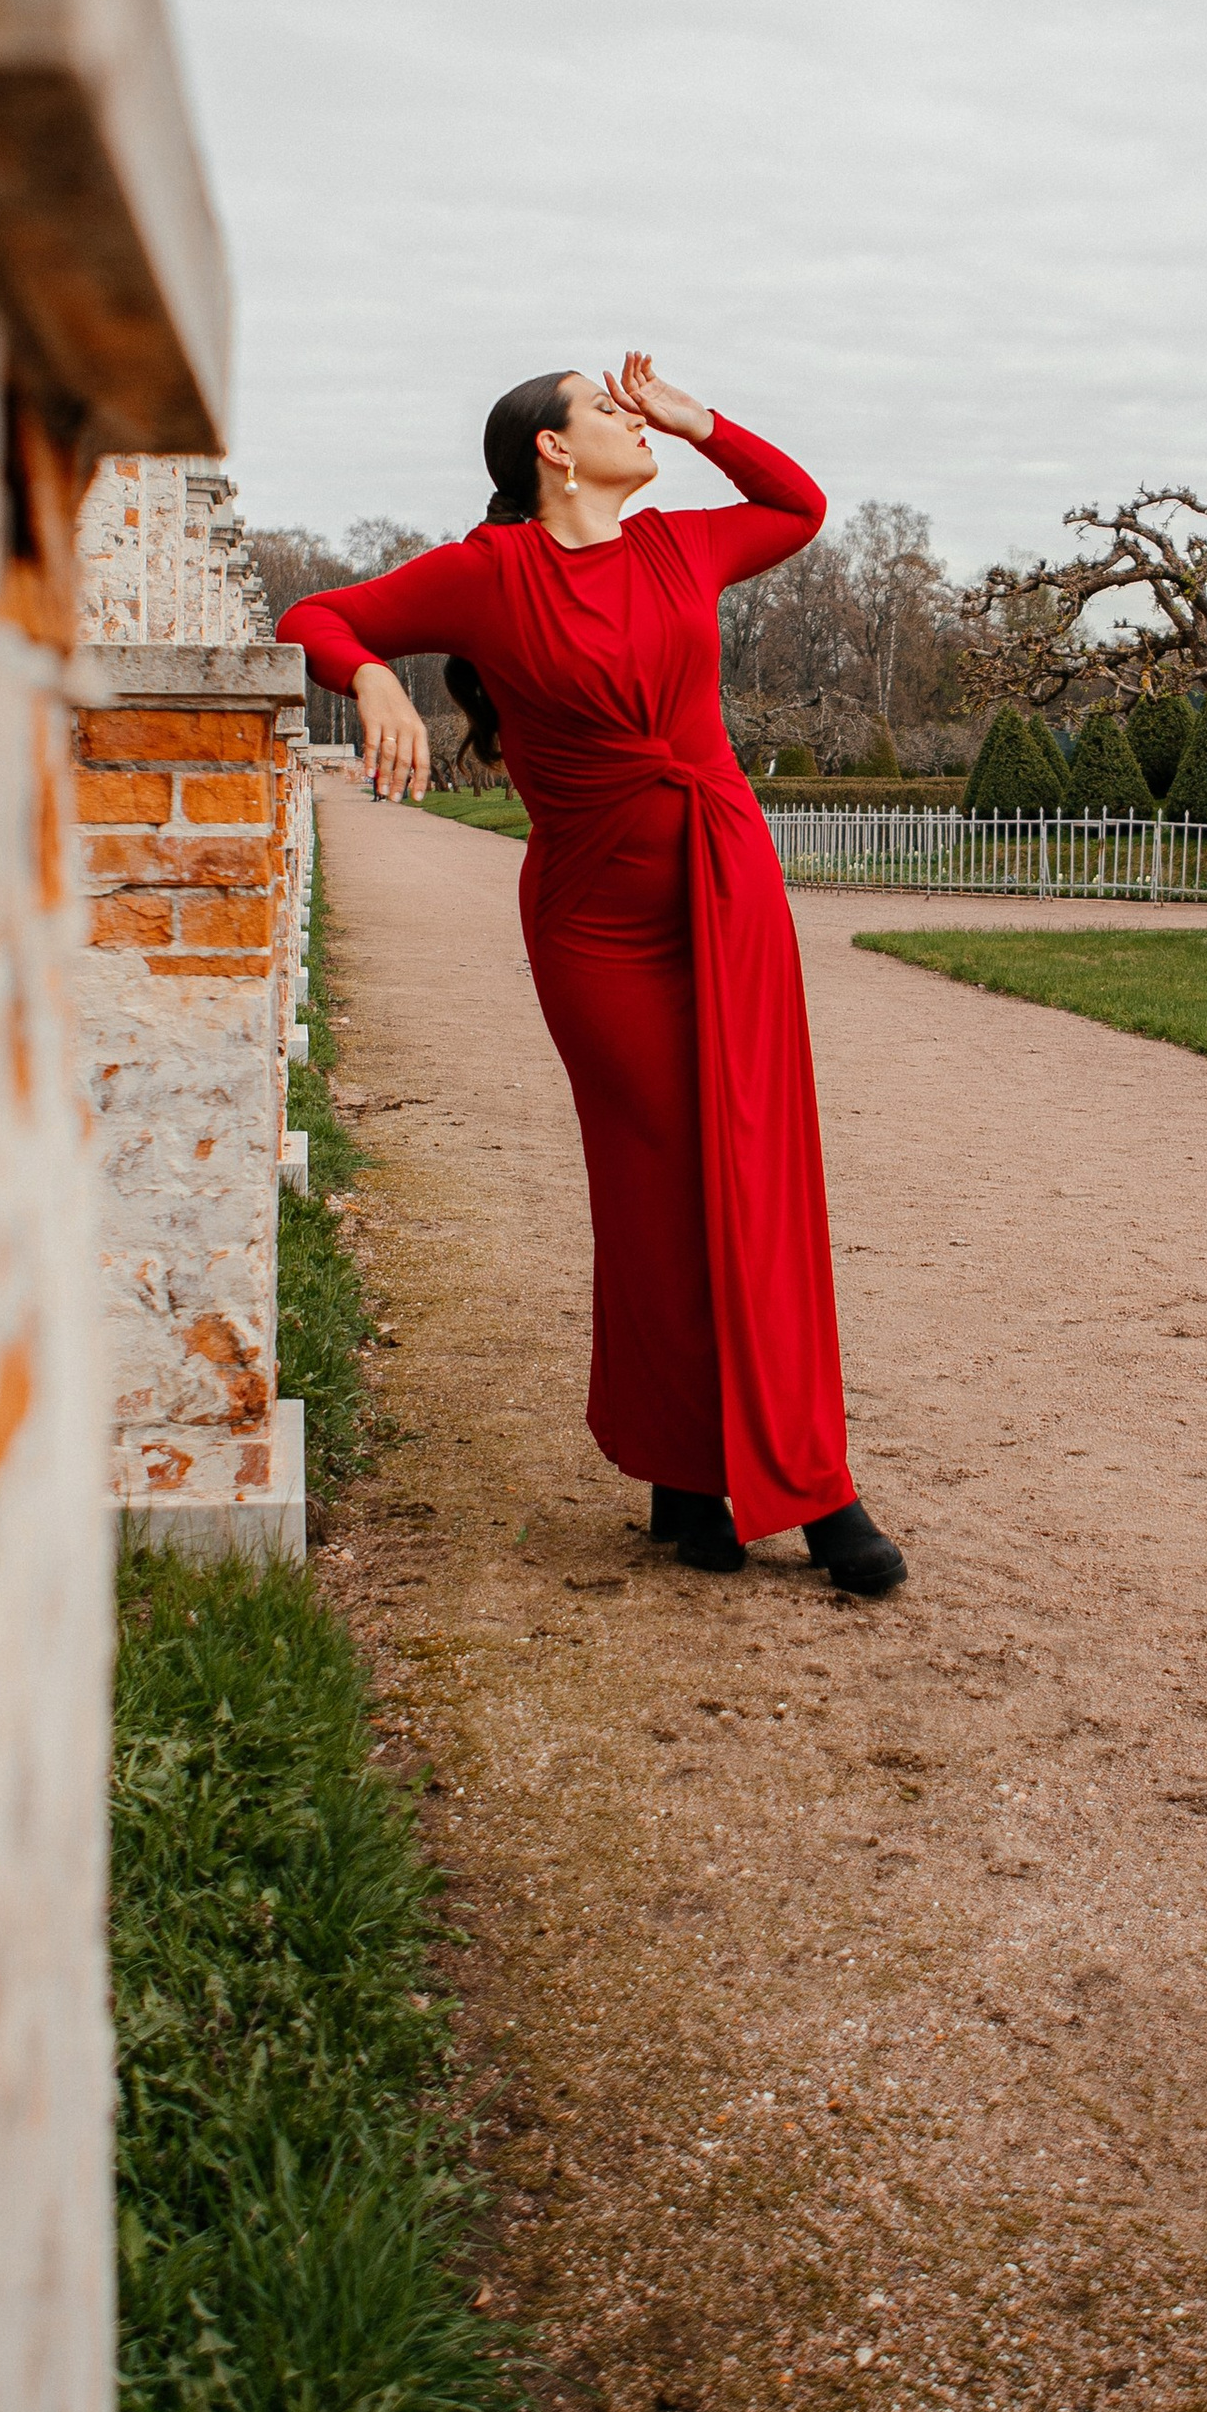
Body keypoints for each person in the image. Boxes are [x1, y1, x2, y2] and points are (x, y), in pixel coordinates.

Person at [278, 356, 905, 1596]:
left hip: (722, 890)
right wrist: (362, 676)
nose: (634, 418)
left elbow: (798, 508)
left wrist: (700, 420)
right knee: (657, 1180)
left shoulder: (682, 548)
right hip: (596, 927)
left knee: (758, 1171)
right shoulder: (486, 573)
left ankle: (803, 1483)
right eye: (609, 408)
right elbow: (314, 615)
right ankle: (682, 1464)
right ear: (552, 451)